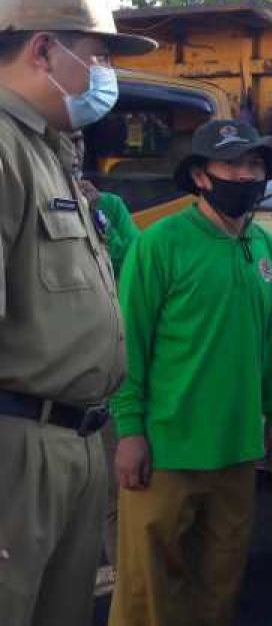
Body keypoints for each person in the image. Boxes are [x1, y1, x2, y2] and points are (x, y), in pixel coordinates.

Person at [0, 0, 157, 626]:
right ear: (42, 50)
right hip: (18, 455)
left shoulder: (51, 152)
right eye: (97, 57)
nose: (106, 73)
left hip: (73, 442)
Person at [107, 119, 272, 626]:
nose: (246, 174)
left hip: (237, 451)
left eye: (254, 164)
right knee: (148, 596)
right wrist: (129, 432)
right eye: (232, 164)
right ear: (202, 177)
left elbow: (270, 340)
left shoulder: (264, 248)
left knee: (218, 590)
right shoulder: (159, 245)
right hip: (166, 451)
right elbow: (128, 345)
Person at [67, 130, 139, 596]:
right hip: (54, 377)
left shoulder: (108, 206)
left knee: (115, 489)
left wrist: (101, 226)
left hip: (104, 372)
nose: (72, 148)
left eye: (78, 140)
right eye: (65, 139)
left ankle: (125, 584)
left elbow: (135, 259)